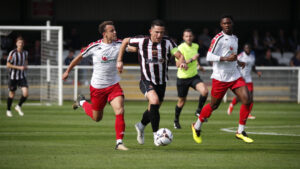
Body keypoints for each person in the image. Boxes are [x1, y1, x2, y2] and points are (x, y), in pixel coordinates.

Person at [62, 21, 136, 151]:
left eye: (115, 30)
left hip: (113, 85)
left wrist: (148, 48)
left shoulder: (120, 44)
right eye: (112, 30)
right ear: (104, 34)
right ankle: (82, 102)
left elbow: (134, 48)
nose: (115, 32)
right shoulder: (95, 46)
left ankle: (119, 143)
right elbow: (78, 58)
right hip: (97, 88)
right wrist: (67, 71)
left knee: (120, 110)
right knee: (97, 118)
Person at [117, 19, 187, 146]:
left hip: (161, 82)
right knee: (154, 101)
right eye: (156, 32)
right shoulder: (142, 41)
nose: (159, 35)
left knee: (153, 109)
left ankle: (141, 125)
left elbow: (179, 55)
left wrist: (181, 61)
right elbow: (125, 41)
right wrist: (119, 60)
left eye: (161, 32)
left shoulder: (168, 43)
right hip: (146, 80)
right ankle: (156, 136)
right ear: (150, 31)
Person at [191, 15, 254, 144]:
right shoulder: (218, 38)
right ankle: (196, 126)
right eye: (224, 23)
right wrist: (226, 59)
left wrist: (238, 62)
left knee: (247, 99)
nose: (227, 25)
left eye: (229, 23)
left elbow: (232, 56)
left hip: (234, 75)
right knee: (214, 105)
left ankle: (240, 131)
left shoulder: (235, 38)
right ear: (221, 25)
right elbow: (209, 56)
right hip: (220, 77)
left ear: (232, 24)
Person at [173, 28, 208, 129]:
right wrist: (191, 60)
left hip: (193, 76)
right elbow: (177, 64)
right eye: (186, 36)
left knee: (205, 91)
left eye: (190, 36)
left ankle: (198, 111)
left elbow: (195, 58)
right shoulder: (180, 48)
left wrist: (198, 65)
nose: (188, 38)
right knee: (181, 101)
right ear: (183, 37)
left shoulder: (196, 46)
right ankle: (176, 120)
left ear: (193, 37)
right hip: (182, 78)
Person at [227, 44, 262, 119]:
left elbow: (252, 67)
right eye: (246, 48)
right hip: (241, 78)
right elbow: (234, 64)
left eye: (249, 48)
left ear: (250, 48)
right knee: (242, 96)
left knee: (250, 97)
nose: (247, 49)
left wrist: (257, 72)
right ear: (244, 49)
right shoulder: (240, 56)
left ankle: (248, 113)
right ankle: (232, 104)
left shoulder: (252, 57)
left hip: (248, 79)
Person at [6, 36, 29, 117]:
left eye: (22, 43)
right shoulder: (12, 53)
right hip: (13, 77)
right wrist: (19, 67)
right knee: (12, 94)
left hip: (22, 76)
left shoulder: (25, 53)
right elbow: (8, 65)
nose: (20, 44)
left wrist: (26, 66)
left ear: (23, 44)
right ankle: (8, 110)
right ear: (16, 44)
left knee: (25, 93)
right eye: (19, 42)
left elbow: (26, 60)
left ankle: (18, 106)